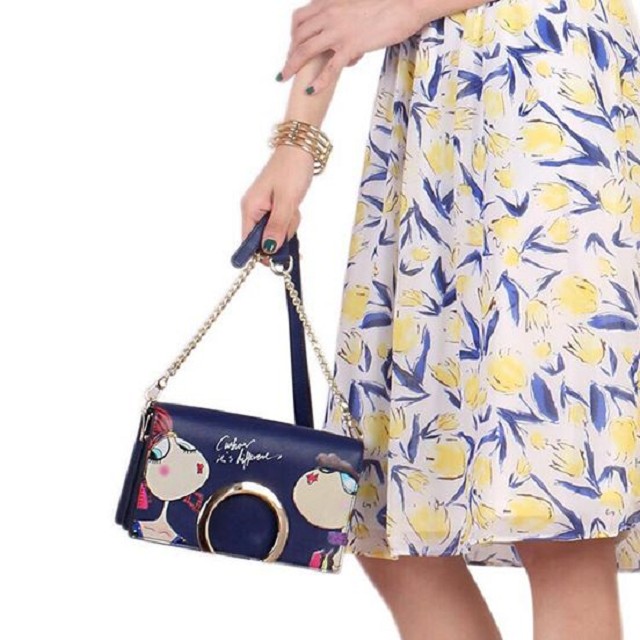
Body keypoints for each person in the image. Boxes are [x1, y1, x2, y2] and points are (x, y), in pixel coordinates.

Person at [240, 1, 640, 638]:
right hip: (430, 127)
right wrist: (295, 145)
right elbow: (339, 13)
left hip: (549, 101)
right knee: (380, 512)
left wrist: (404, 9)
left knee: (557, 514)